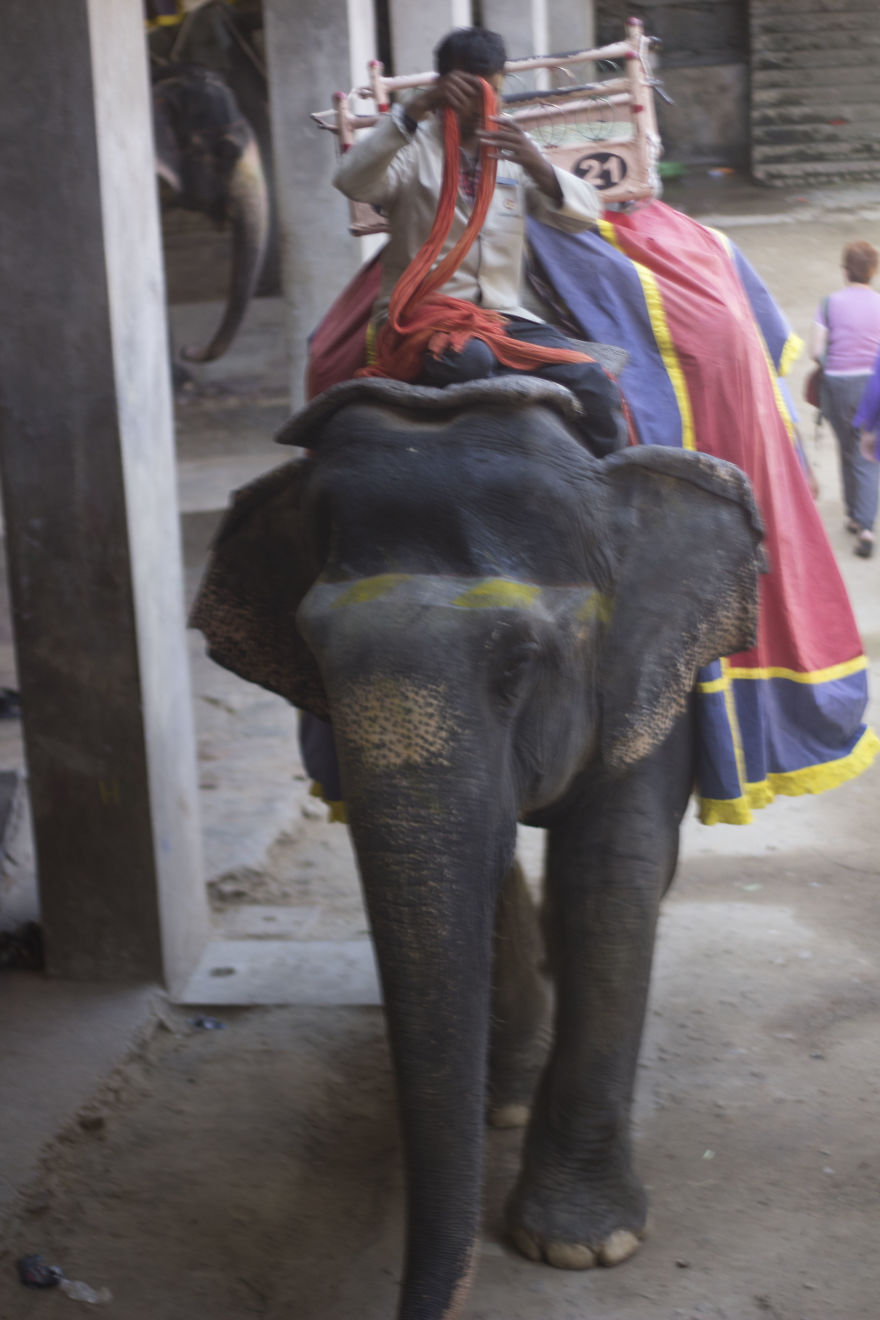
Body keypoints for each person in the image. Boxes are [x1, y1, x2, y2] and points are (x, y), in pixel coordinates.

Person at [332, 26, 628, 456]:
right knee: (468, 361)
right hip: (424, 318)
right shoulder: (410, 148)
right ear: (444, 88)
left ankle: (608, 484)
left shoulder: (510, 151)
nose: (483, 105)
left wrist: (538, 166)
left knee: (593, 380)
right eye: (470, 91)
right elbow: (351, 180)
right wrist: (412, 110)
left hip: (503, 317)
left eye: (493, 91)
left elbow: (585, 216)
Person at [810, 239, 880, 558]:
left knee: (847, 450)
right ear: (873, 271)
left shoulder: (828, 304)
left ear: (844, 271)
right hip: (872, 384)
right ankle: (866, 526)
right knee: (868, 451)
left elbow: (815, 351)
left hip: (837, 386)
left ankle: (853, 516)